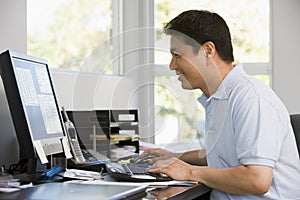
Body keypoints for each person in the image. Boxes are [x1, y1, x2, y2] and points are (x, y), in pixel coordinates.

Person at [142, 10, 300, 199]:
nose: (172, 65)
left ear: (208, 50)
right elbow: (224, 155)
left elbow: (257, 179)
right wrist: (174, 157)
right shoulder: (219, 98)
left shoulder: (251, 97)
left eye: (177, 55)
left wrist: (189, 172)